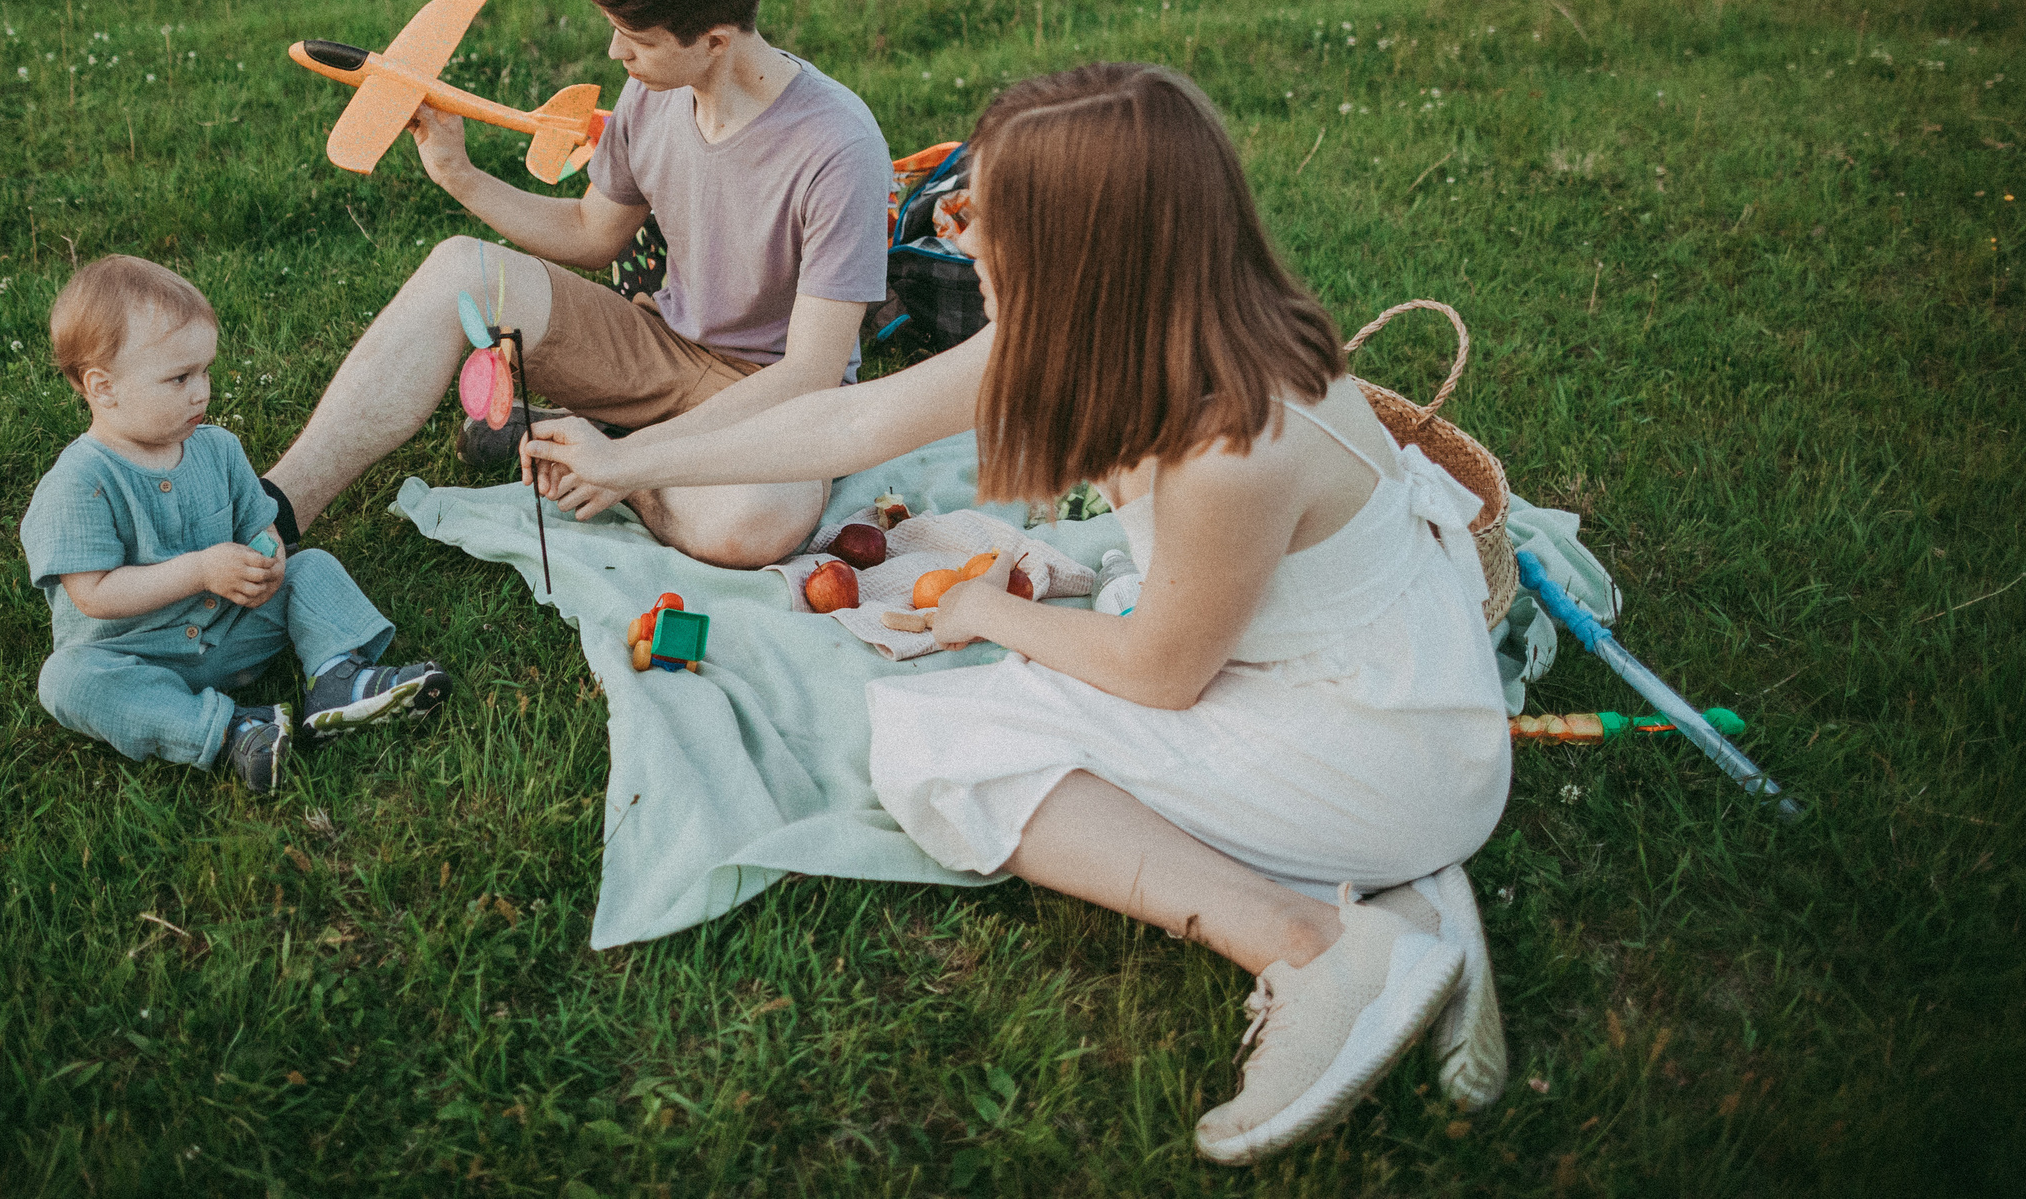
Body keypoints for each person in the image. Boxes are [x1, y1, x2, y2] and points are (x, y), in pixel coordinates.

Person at [524, 64, 1514, 1163]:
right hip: (1377, 696)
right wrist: (634, 460)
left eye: (984, 214)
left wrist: (990, 613)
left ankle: (1313, 944)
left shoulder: (1231, 446)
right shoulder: (1153, 325)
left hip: (1380, 747)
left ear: (1077, 246)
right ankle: (1407, 904)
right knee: (1034, 679)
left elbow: (1155, 677)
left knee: (937, 746)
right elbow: (848, 427)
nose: (956, 232)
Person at [261, 0, 893, 569]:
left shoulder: (839, 146)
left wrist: (627, 461)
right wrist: (460, 176)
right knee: (456, 270)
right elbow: (595, 231)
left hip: (769, 394)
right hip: (660, 347)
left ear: (714, 40)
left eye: (636, 40)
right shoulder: (656, 90)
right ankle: (277, 506)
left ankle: (603, 454)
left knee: (749, 525)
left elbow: (810, 372)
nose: (616, 55)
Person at [21, 256, 450, 794]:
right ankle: (231, 730)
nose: (201, 391)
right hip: (134, 654)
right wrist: (202, 570)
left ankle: (341, 677)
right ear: (103, 388)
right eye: (179, 378)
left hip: (231, 629)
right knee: (65, 681)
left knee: (310, 566)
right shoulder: (80, 480)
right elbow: (94, 595)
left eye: (204, 371)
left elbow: (259, 523)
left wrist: (267, 557)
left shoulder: (219, 449)